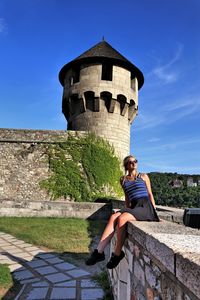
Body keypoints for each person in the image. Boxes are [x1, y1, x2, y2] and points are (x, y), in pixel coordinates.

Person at [85, 155, 159, 269]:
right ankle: (98, 252)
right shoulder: (123, 180)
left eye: (135, 161)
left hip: (145, 206)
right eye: (130, 162)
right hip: (134, 206)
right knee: (114, 217)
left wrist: (154, 211)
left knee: (122, 219)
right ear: (126, 165)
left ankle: (117, 254)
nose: (133, 163)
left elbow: (150, 194)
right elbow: (128, 198)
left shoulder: (144, 176)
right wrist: (126, 209)